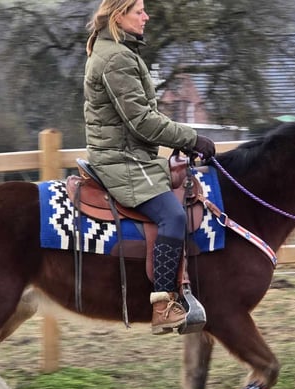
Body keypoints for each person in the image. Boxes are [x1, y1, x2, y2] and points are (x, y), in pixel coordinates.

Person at [84, 0, 216, 334]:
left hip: (131, 155)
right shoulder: (115, 58)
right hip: (123, 160)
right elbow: (141, 121)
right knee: (171, 216)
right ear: (119, 16)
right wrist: (190, 138)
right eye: (139, 11)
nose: (146, 16)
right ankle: (162, 305)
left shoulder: (116, 51)